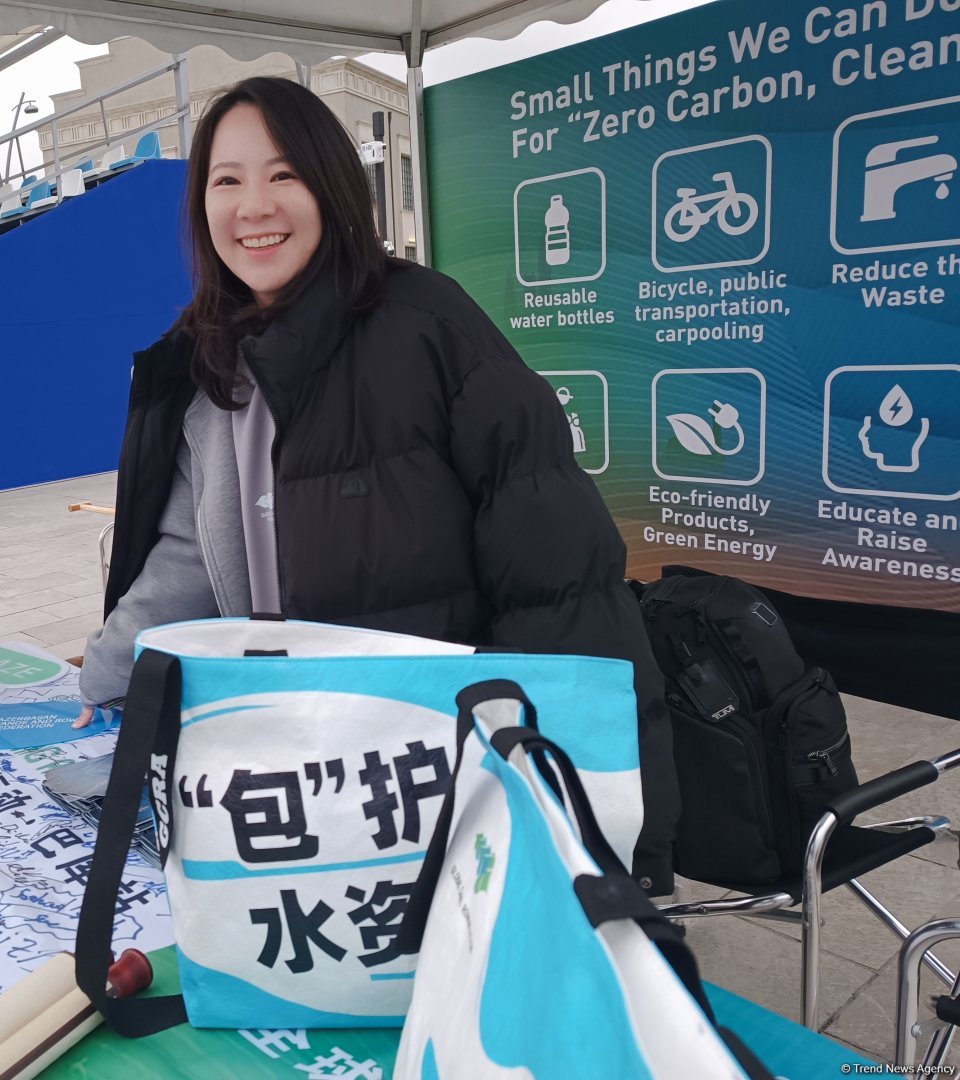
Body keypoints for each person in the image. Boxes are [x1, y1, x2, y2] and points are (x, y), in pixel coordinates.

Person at [74, 77, 680, 894]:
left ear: (332, 185)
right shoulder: (208, 359)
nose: (255, 205)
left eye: (284, 174)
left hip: (435, 765)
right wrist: (108, 675)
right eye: (228, 180)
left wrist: (592, 809)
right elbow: (190, 554)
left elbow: (559, 580)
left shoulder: (428, 322)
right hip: (301, 764)